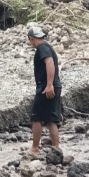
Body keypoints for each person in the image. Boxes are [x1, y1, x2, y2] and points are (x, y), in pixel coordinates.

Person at [27, 26, 62, 154]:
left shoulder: (42, 47)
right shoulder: (48, 46)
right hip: (56, 85)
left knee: (36, 117)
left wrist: (48, 85)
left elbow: (49, 63)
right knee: (50, 119)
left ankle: (35, 148)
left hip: (46, 87)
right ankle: (56, 148)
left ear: (31, 38)